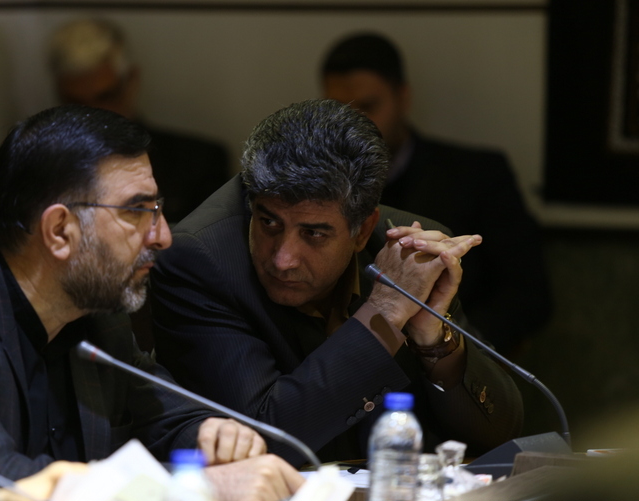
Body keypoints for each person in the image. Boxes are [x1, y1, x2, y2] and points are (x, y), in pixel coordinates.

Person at [0, 106, 303, 501]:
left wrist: (214, 437)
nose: (163, 236)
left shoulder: (95, 317)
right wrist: (197, 491)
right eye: (137, 211)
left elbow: (170, 419)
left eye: (157, 209)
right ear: (59, 230)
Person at [151, 99, 524, 466]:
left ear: (362, 230)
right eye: (269, 222)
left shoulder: (407, 254)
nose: (283, 259)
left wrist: (434, 339)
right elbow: (264, 438)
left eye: (313, 233)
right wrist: (385, 312)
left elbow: (500, 434)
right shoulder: (200, 261)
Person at [320, 33, 552, 356]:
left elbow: (528, 294)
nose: (354, 125)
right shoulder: (318, 186)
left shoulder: (476, 175)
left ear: (402, 97)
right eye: (340, 111)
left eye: (369, 106)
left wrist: (450, 344)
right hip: (348, 356)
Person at [49, 19, 230, 224]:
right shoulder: (43, 170)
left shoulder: (197, 164)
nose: (92, 114)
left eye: (105, 97)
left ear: (131, 82)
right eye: (76, 103)